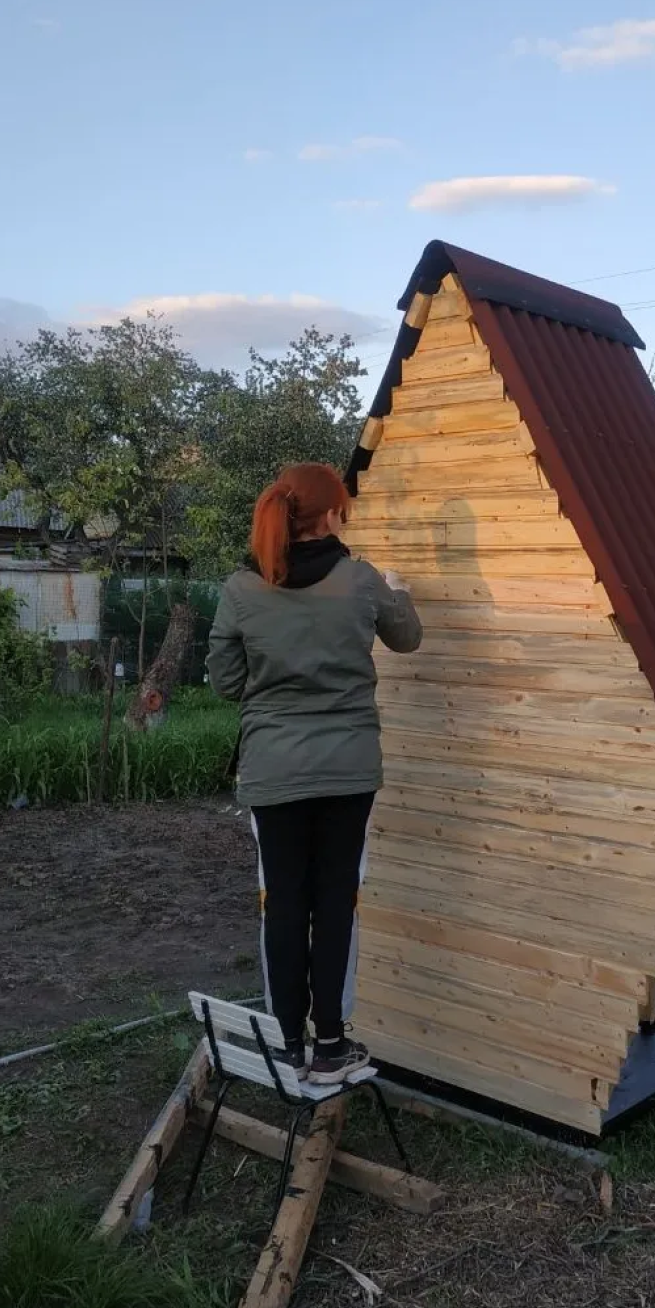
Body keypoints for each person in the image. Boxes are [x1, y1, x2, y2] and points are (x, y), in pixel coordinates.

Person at [207, 462, 422, 1085]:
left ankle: (286, 1046)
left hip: (274, 772)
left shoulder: (240, 590)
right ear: (330, 515)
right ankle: (331, 1045)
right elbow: (407, 637)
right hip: (349, 771)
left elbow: (225, 682)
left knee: (283, 902)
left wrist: (274, 689)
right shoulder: (360, 581)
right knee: (335, 902)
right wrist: (398, 588)